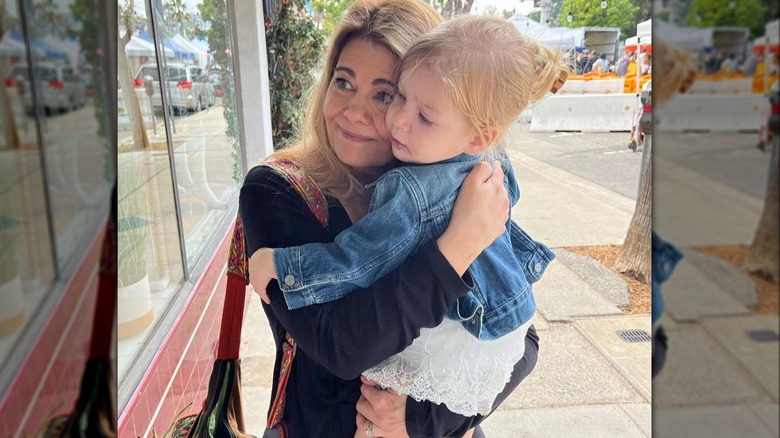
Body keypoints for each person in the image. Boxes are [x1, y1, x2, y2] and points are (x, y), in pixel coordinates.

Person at [239, 1, 543, 436]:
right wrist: (456, 246)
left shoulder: (458, 180)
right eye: (343, 83)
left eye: (386, 93)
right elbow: (342, 346)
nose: (354, 112)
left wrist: (421, 422)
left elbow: (522, 338)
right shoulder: (279, 190)